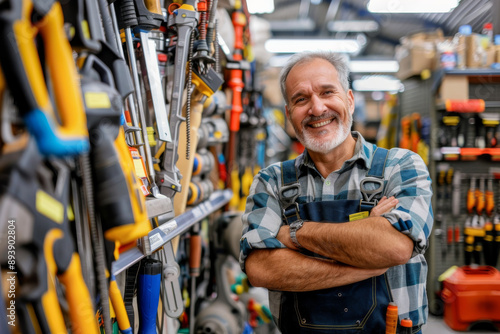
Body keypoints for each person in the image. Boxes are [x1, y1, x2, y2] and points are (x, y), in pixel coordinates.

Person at [239, 51, 433, 333]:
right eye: (301, 99)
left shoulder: (401, 166)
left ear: (350, 100)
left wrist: (294, 233)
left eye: (327, 92)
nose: (317, 109)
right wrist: (367, 262)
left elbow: (395, 246)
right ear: (289, 114)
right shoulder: (271, 181)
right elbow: (261, 268)